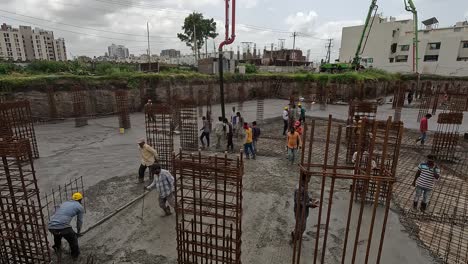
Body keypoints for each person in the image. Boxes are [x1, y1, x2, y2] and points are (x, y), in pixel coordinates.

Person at [48, 192, 85, 260]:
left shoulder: (65, 203)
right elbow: (79, 221)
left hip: (51, 226)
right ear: (80, 200)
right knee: (73, 240)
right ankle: (75, 256)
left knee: (57, 235)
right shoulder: (80, 207)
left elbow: (57, 212)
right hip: (63, 227)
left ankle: (57, 247)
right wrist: (78, 232)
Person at [290, 177, 319, 244]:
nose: (310, 179)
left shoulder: (303, 185)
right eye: (309, 177)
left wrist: (311, 199)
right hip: (299, 211)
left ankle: (296, 236)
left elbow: (304, 197)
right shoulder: (299, 188)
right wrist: (310, 205)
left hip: (303, 211)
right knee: (301, 226)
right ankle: (294, 237)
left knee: (302, 226)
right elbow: (299, 202)